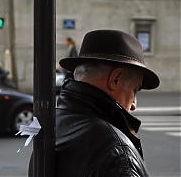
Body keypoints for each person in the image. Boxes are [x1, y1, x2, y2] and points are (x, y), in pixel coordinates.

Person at [55, 29, 160, 176]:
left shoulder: (54, 123)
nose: (134, 104)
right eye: (135, 90)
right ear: (115, 79)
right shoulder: (117, 153)